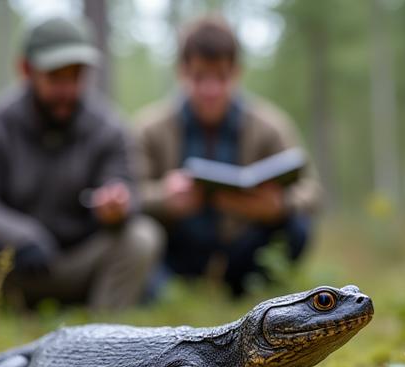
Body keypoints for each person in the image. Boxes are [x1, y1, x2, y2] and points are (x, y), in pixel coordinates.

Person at [0, 16, 164, 318]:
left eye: (75, 76)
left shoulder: (110, 129)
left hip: (76, 263)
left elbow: (125, 184)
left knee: (141, 237)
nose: (67, 88)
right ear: (25, 70)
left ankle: (105, 335)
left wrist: (117, 206)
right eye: (55, 76)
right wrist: (20, 236)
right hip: (4, 267)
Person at [134, 15, 322, 297]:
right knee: (138, 232)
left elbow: (313, 191)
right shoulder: (149, 128)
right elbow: (128, 192)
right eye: (199, 77)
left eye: (220, 77)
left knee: (297, 226)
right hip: (174, 250)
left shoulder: (269, 125)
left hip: (243, 249)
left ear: (236, 72)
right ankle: (164, 292)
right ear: (182, 72)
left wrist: (278, 205)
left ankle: (255, 291)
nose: (211, 90)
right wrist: (164, 197)